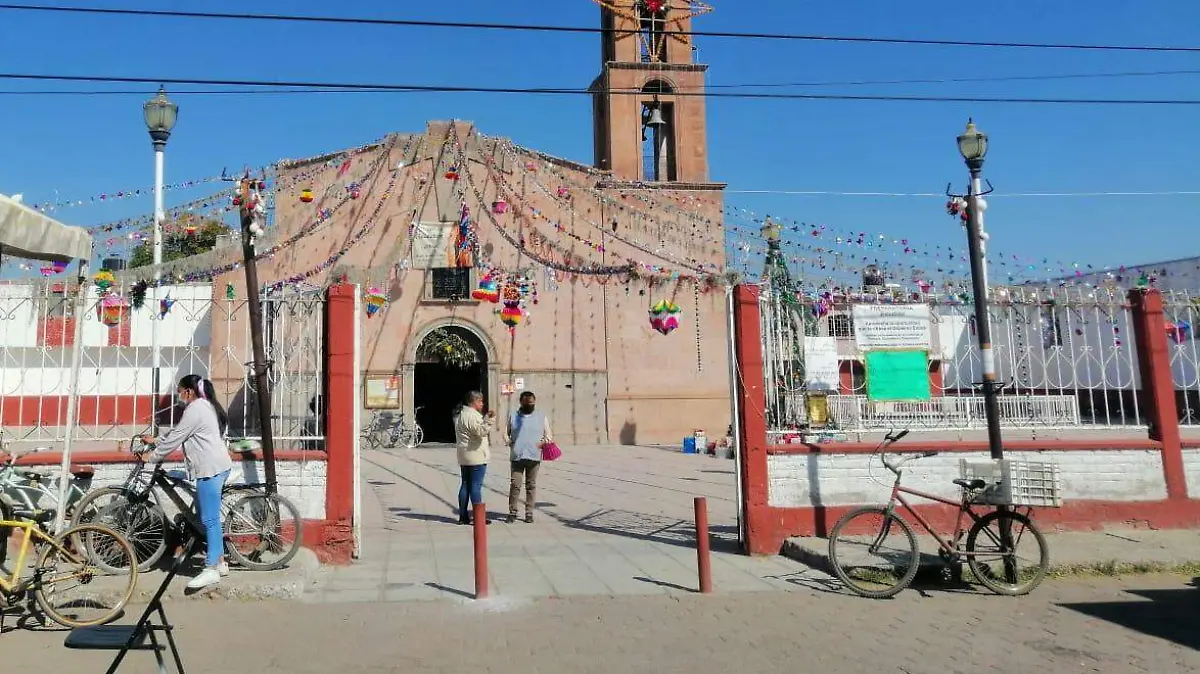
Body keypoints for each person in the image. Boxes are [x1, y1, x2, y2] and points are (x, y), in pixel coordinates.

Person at [141, 374, 233, 590]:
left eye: (179, 391)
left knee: (209, 520)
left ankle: (210, 569)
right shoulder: (204, 405)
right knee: (209, 518)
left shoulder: (195, 409)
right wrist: (157, 440)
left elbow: (178, 436)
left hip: (210, 469)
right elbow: (181, 433)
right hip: (217, 465)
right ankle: (220, 562)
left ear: (188, 391)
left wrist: (153, 456)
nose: (178, 395)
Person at [506, 391, 552, 524]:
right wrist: (510, 443)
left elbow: (549, 435)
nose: (529, 405)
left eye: (531, 402)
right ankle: (512, 512)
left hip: (534, 456)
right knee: (515, 485)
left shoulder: (541, 416)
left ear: (535, 402)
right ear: (521, 402)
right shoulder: (513, 416)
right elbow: (505, 433)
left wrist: (543, 442)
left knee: (531, 485)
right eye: (526, 402)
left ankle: (529, 513)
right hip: (517, 456)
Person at [454, 390, 495, 525]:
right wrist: (489, 421)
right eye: (481, 401)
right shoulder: (472, 415)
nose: (482, 404)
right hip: (475, 455)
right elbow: (480, 431)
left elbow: (474, 428)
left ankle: (463, 516)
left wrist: (484, 419)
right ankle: (478, 517)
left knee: (465, 484)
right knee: (475, 486)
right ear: (474, 401)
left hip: (464, 454)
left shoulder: (461, 414)